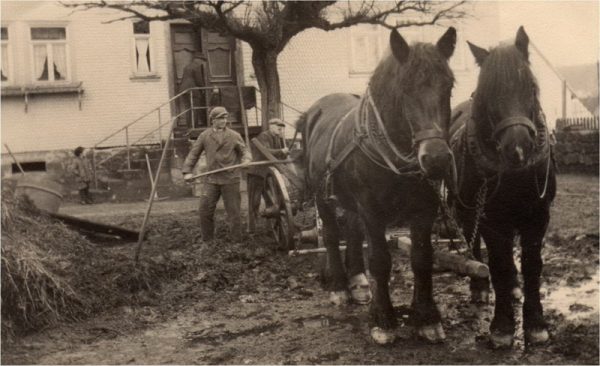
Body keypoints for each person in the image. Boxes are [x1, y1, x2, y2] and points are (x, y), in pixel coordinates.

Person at [182, 106, 252, 243]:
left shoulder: (234, 135)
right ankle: (208, 243)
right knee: (204, 211)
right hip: (212, 180)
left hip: (230, 179)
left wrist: (246, 160)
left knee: (234, 213)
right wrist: (187, 171)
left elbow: (245, 151)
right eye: (220, 118)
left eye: (225, 118)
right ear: (213, 120)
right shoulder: (205, 136)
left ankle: (236, 243)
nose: (224, 121)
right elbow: (193, 154)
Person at [247, 118, 289, 232]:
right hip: (256, 173)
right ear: (271, 126)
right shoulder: (264, 136)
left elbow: (279, 156)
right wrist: (281, 151)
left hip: (268, 174)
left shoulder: (278, 138)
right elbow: (266, 152)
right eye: (277, 126)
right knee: (254, 202)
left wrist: (285, 153)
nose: (280, 129)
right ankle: (251, 229)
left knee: (271, 202)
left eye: (281, 127)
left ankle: (271, 227)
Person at [179, 50, 207, 127]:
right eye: (202, 60)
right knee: (195, 108)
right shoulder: (196, 66)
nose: (202, 63)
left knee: (188, 109)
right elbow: (199, 80)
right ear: (198, 59)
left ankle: (189, 126)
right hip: (192, 90)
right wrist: (203, 88)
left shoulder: (187, 66)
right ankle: (194, 126)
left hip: (184, 90)